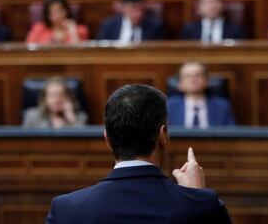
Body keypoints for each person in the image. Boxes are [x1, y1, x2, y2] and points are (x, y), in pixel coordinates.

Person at [45, 84, 231, 224]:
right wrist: (196, 197)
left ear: (107, 139)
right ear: (163, 136)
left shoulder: (65, 209)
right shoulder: (204, 206)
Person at [168, 62, 235, 128]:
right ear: (180, 84)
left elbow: (231, 134)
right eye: (187, 76)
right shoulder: (168, 107)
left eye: (198, 75)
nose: (193, 79)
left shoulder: (222, 107)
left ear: (207, 81)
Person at [97, 0, 164, 42]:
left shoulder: (155, 26)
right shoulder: (109, 25)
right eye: (133, 9)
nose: (138, 13)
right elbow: (100, 50)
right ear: (123, 8)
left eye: (141, 9)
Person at [22, 77, 87, 129]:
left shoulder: (79, 117)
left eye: (61, 95)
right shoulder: (31, 116)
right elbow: (24, 142)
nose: (57, 100)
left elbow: (84, 142)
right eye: (53, 95)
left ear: (68, 97)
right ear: (45, 99)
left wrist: (71, 117)